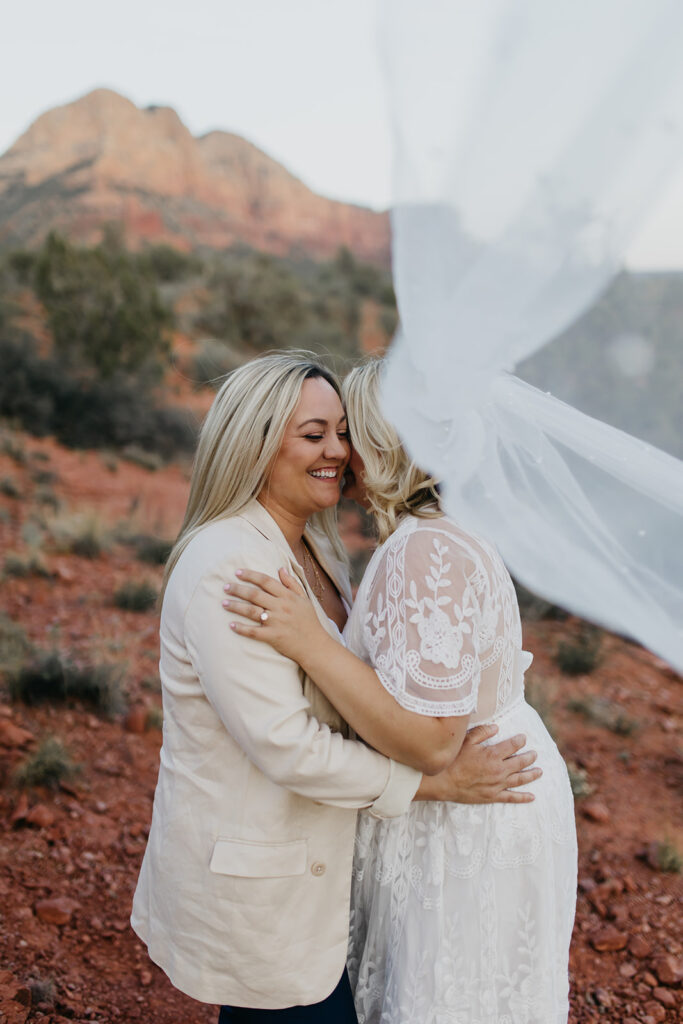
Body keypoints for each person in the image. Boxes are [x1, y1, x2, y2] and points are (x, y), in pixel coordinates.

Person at [131, 352, 541, 1023]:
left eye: (343, 432)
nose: (337, 453)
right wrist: (435, 785)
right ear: (255, 443)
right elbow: (287, 746)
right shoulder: (228, 568)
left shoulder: (314, 547)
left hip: (319, 871)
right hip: (262, 883)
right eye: (312, 434)